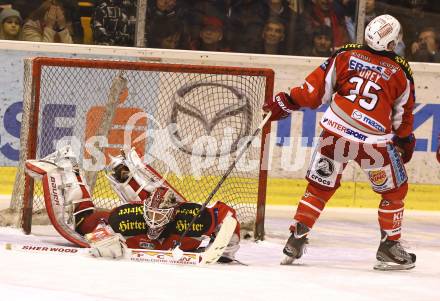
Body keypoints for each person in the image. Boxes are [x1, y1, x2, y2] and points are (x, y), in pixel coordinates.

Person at [263, 14, 416, 270]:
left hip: (335, 133)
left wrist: (288, 100)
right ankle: (389, 245)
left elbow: (315, 91)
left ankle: (296, 237)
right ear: (392, 42)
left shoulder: (346, 54)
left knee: (320, 187)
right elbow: (403, 117)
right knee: (394, 191)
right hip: (373, 144)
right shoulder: (401, 71)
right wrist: (405, 141)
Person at [25, 146, 240, 262]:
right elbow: (99, 227)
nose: (154, 222)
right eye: (151, 215)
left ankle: (127, 171)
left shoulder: (192, 217)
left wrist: (228, 238)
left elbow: (226, 214)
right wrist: (105, 240)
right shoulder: (129, 217)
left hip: (174, 216)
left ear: (173, 216)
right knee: (79, 222)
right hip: (139, 220)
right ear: (143, 208)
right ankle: (63, 167)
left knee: (159, 197)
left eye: (160, 217)